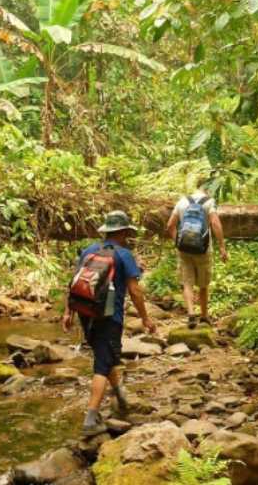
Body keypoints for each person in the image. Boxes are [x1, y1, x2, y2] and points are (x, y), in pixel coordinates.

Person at [62, 211, 156, 438]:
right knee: (102, 364)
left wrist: (68, 312)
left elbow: (73, 283)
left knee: (106, 354)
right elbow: (134, 290)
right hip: (109, 316)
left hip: (86, 312)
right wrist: (145, 318)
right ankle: (90, 418)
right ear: (123, 232)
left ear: (106, 232)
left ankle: (120, 395)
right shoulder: (124, 255)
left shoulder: (88, 251)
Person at [166, 183, 228, 329]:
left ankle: (191, 313)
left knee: (187, 282)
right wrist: (222, 247)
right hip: (203, 250)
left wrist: (178, 242)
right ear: (207, 188)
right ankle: (204, 316)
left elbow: (170, 225)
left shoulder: (182, 201)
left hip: (184, 249)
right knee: (203, 284)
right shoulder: (209, 202)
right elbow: (215, 223)